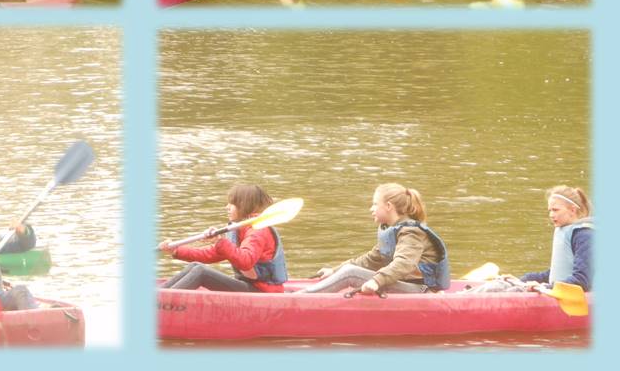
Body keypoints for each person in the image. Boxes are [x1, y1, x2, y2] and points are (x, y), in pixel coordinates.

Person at [301, 183, 450, 295]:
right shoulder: (393, 230)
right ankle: (303, 295)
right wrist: (334, 271)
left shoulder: (411, 233)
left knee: (351, 273)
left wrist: (376, 281)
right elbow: (371, 260)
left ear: (388, 206)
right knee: (349, 270)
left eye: (375, 204)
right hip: (406, 285)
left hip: (422, 291)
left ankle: (299, 299)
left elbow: (404, 263)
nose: (371, 209)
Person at [159, 184, 288, 293]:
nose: (227, 207)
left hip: (262, 292)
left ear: (244, 205)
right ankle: (159, 296)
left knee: (201, 272)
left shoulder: (259, 230)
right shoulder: (239, 229)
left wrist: (219, 241)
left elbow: (246, 261)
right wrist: (176, 250)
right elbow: (210, 254)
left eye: (232, 204)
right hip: (247, 286)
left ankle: (162, 302)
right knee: (195, 266)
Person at [467, 186, 593, 294]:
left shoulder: (584, 235)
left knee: (512, 291)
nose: (551, 215)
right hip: (555, 290)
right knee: (500, 285)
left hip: (570, 296)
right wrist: (521, 280)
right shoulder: (565, 230)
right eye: (549, 210)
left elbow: (582, 281)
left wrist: (545, 287)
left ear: (572, 210)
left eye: (555, 210)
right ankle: (462, 296)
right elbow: (554, 274)